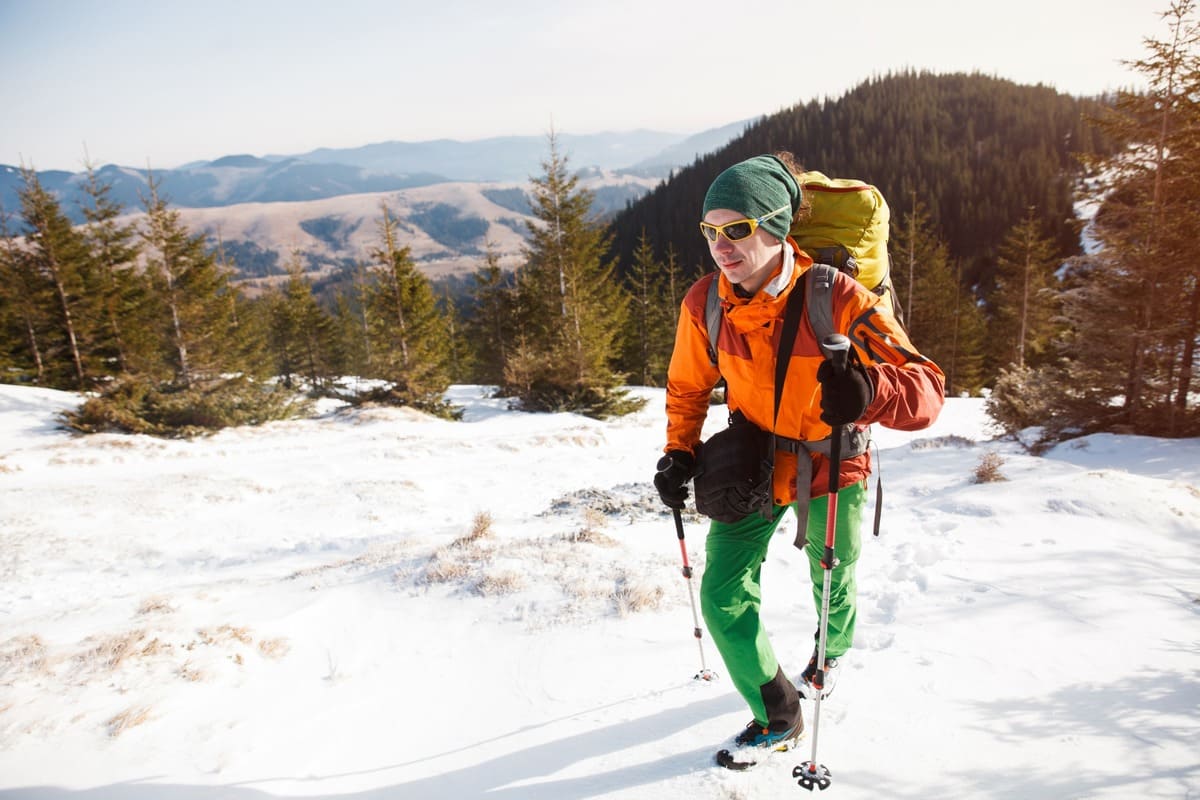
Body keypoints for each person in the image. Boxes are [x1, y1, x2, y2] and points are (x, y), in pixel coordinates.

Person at [653, 153, 945, 752]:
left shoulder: (835, 298)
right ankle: (778, 712)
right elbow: (687, 387)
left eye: (737, 229)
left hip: (833, 463)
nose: (721, 246)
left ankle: (828, 653)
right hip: (751, 463)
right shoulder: (706, 302)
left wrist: (869, 389)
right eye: (710, 231)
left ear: (776, 226)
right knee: (720, 593)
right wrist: (678, 453)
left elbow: (926, 392)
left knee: (831, 575)